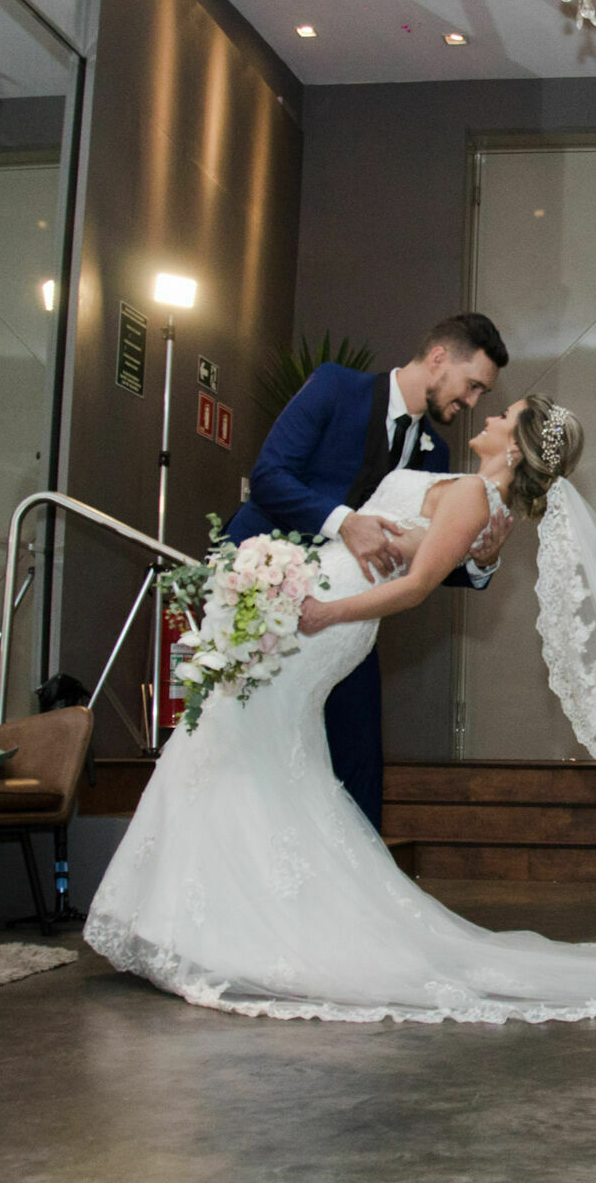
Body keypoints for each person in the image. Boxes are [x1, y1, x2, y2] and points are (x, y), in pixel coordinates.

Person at [86, 394, 596, 1022]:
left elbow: (412, 589)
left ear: (516, 442)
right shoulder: (469, 493)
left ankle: (209, 927)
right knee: (239, 745)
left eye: (504, 412)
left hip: (325, 619)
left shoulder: (477, 497)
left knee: (234, 742)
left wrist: (321, 613)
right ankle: (198, 919)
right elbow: (413, 546)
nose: (489, 410)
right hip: (307, 605)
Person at [223, 314, 512, 827]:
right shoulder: (337, 387)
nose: (471, 403)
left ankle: (351, 892)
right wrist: (345, 523)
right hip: (260, 586)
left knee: (358, 752)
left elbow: (425, 559)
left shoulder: (435, 453)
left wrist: (480, 564)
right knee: (245, 736)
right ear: (439, 358)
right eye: (472, 387)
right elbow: (269, 476)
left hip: (341, 617)